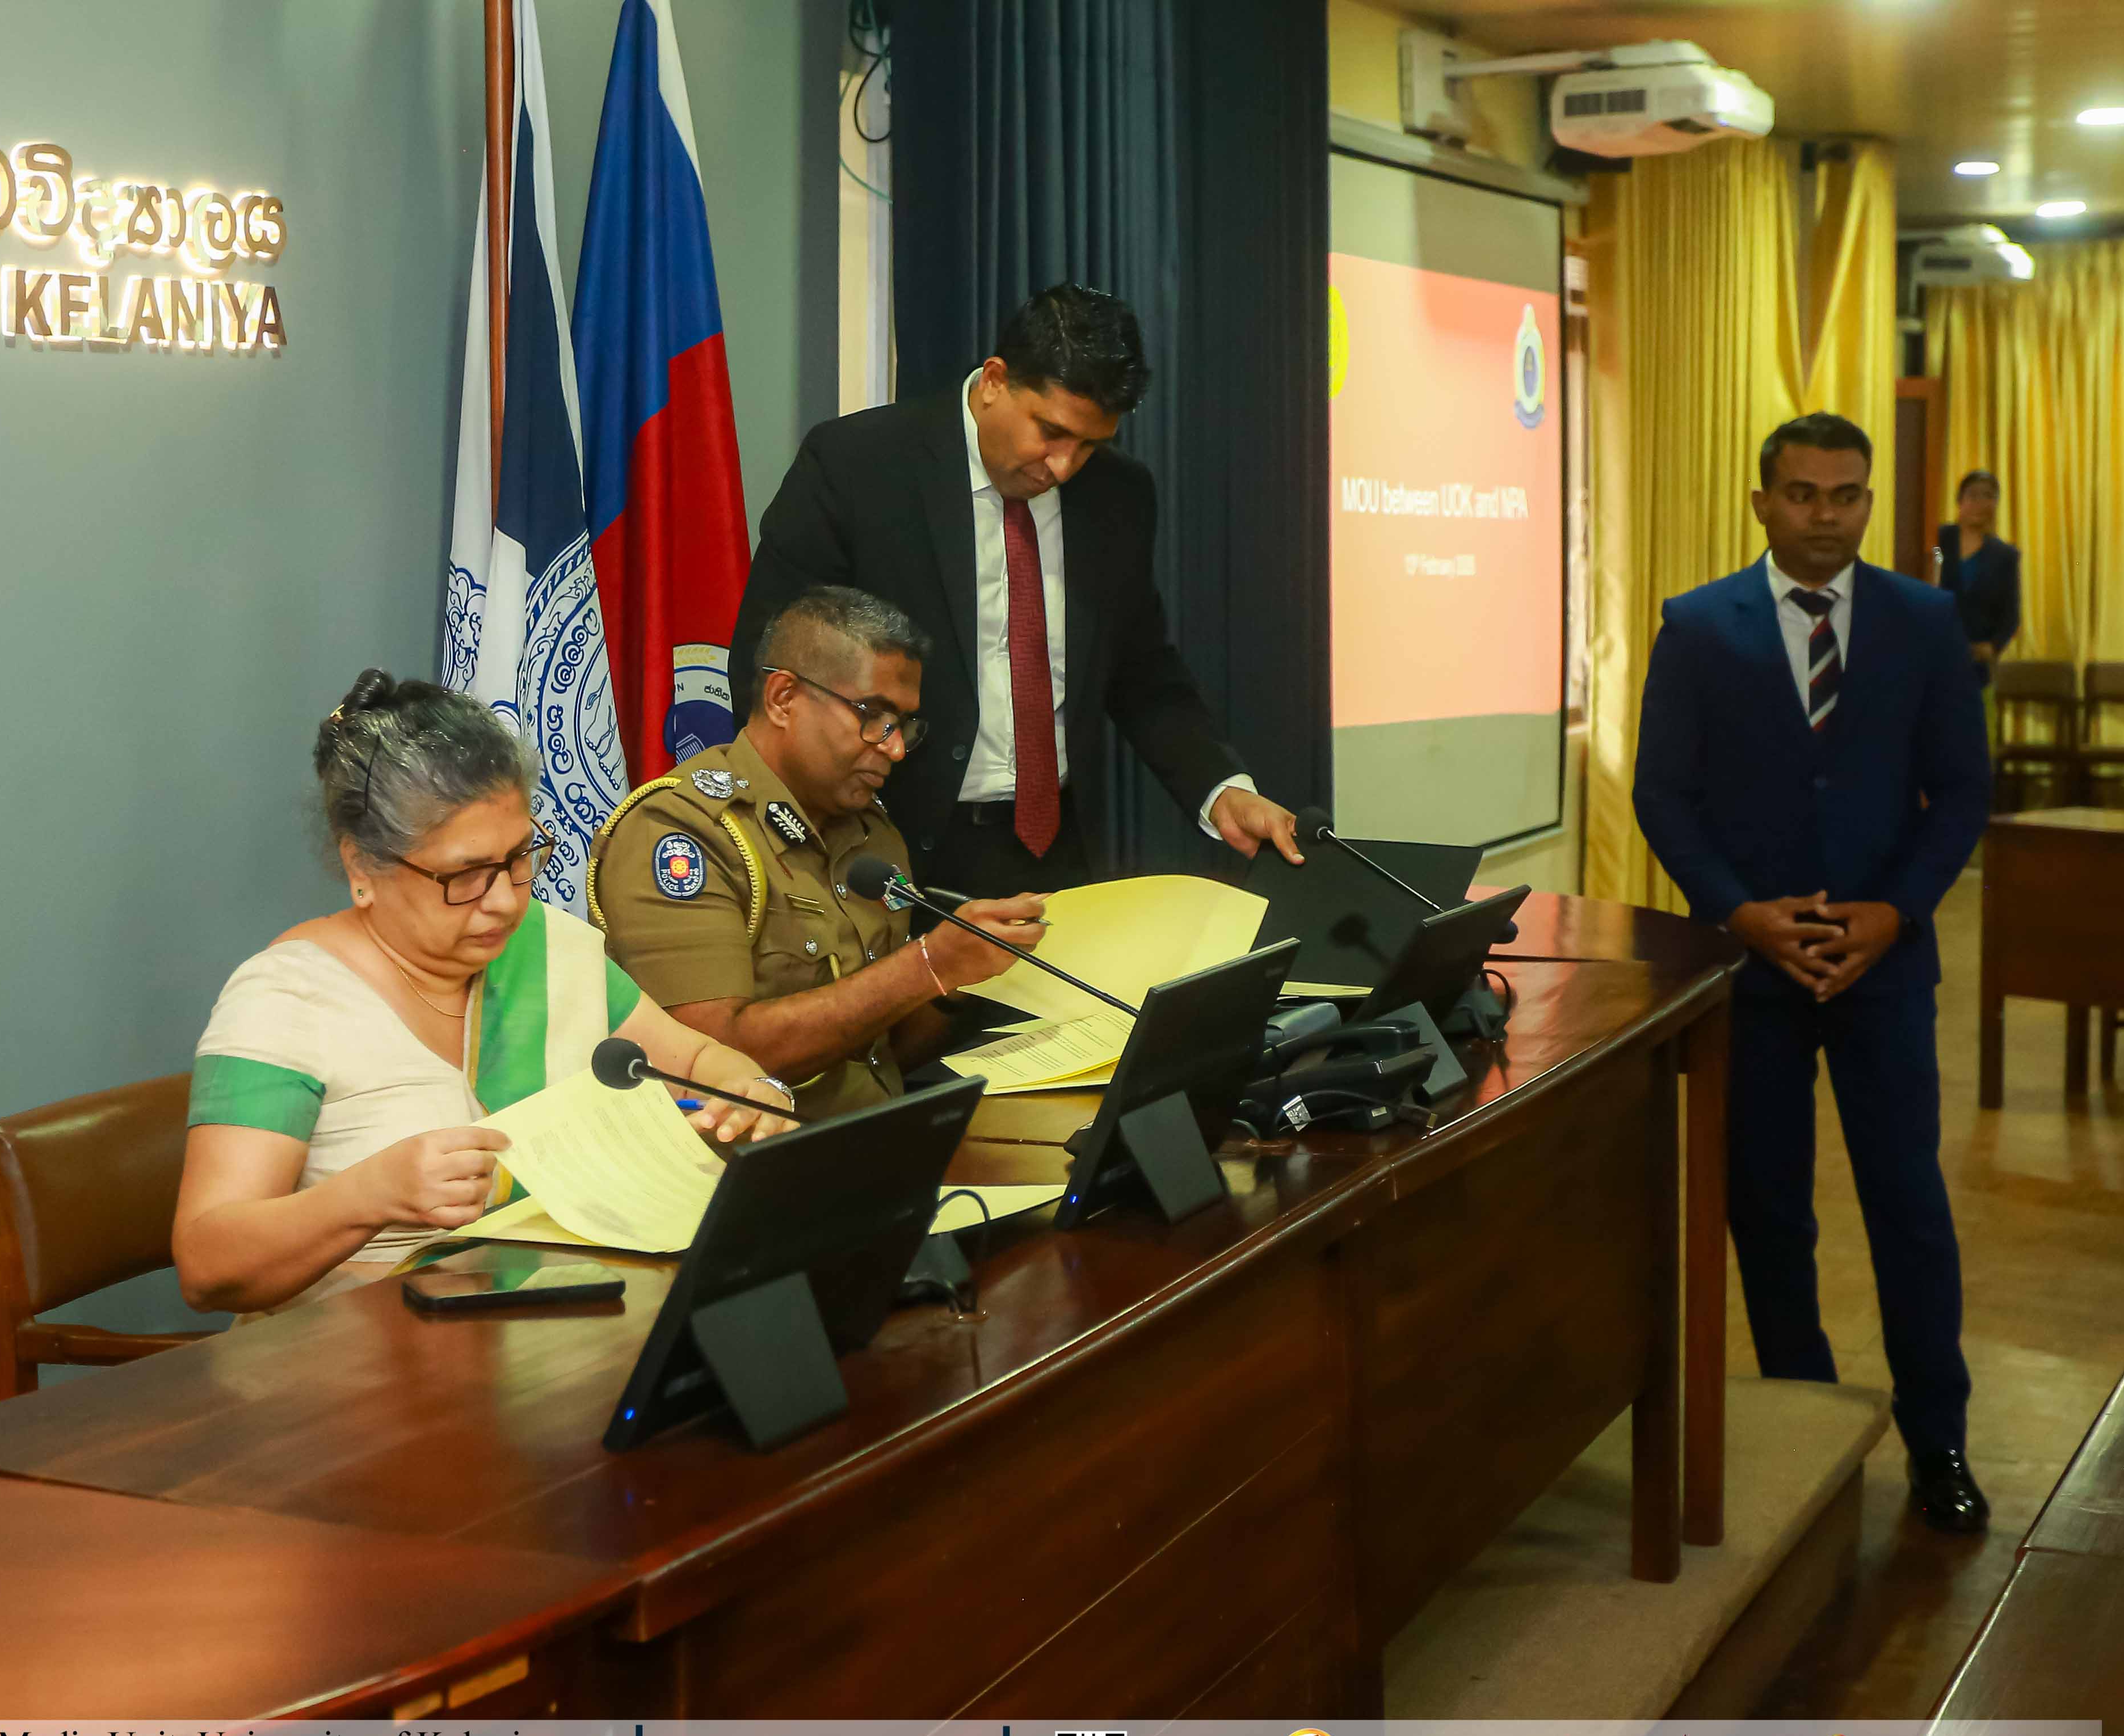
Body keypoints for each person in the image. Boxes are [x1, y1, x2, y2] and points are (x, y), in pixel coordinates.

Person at [1633, 411, 1994, 1534]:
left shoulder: (1924, 621)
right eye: (1802, 494)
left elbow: (1963, 790)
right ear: (1762, 502)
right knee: (1767, 1211)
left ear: (1869, 502)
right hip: (1754, 973)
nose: (1825, 515)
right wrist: (1740, 915)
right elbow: (1663, 794)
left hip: (1883, 966)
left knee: (1908, 1205)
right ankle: (1808, 1424)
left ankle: (1937, 1437)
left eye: (1846, 495)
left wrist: (1897, 911)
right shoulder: (1699, 627)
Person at [172, 671, 794, 1316]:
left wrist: (749, 1087)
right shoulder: (285, 1000)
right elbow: (209, 1265)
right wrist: (368, 1195)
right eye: (465, 874)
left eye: (520, 857)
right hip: (360, 1357)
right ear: (361, 865)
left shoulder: (548, 944)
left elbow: (695, 1061)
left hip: (560, 1330)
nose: (503, 901)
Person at [730, 283, 1301, 898]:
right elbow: (771, 657)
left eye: (1089, 444)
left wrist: (1221, 790)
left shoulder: (1119, 496)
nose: (1063, 465)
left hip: (1055, 852)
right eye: (1050, 431)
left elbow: (1141, 672)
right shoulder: (858, 464)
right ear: (995, 381)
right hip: (882, 846)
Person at [592, 587, 1050, 1119]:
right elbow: (707, 1063)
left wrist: (954, 982)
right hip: (748, 1159)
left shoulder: (873, 835)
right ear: (783, 698)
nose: (895, 747)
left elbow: (879, 1057)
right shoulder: (682, 831)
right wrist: (927, 965)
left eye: (904, 726)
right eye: (874, 716)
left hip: (878, 1140)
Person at [1936, 469, 2022, 688]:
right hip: (1935, 655)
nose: (1981, 503)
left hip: (1977, 665)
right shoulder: (1938, 540)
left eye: (1988, 496)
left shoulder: (2006, 556)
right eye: (1973, 495)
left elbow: (2011, 614)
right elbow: (1928, 574)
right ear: (1960, 501)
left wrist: (1993, 647)